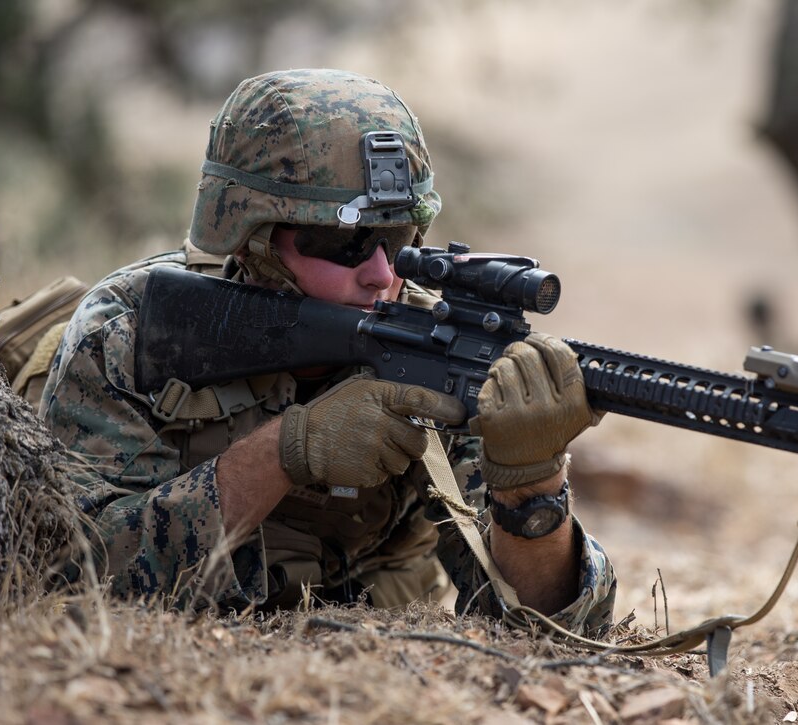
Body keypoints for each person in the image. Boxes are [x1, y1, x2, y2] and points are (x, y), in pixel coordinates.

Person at [40, 69, 615, 633]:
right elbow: (69, 572)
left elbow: (550, 625)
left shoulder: (439, 346)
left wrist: (531, 492)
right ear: (252, 238)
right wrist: (288, 452)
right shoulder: (133, 332)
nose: (381, 273)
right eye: (348, 243)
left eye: (399, 241)